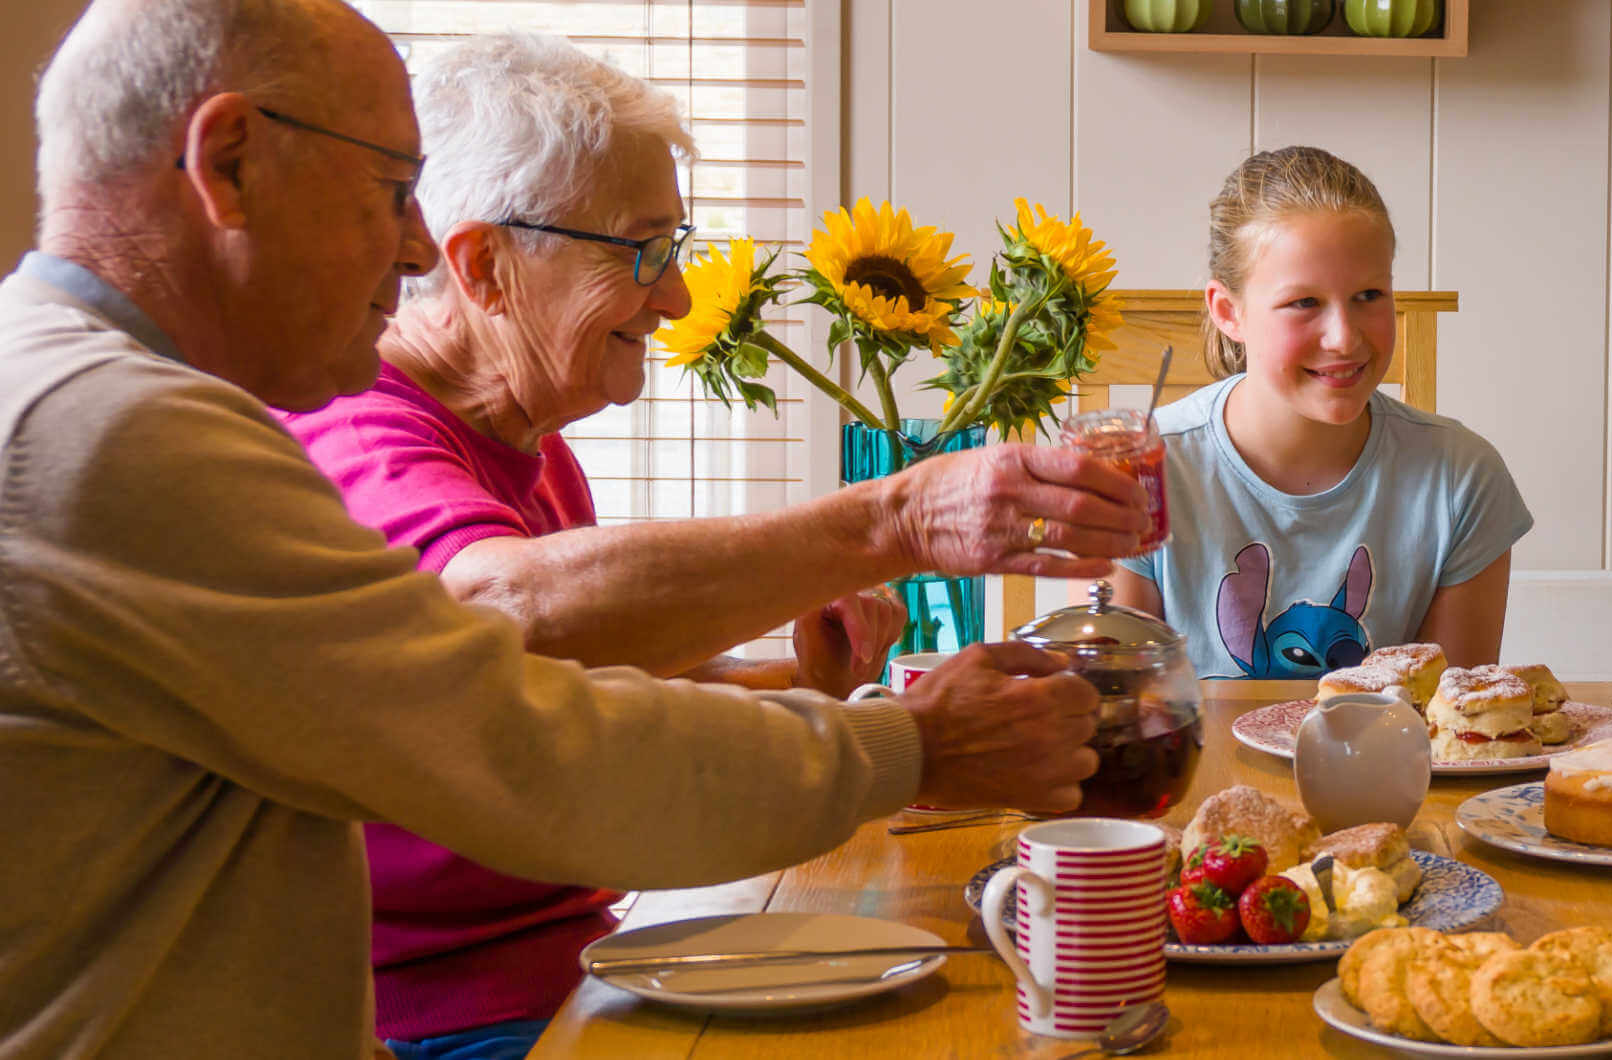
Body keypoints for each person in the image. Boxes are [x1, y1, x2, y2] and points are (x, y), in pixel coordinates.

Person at [0, 1, 1132, 1055]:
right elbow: (510, 704)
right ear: (229, 162)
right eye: (393, 191)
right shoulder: (114, 433)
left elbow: (507, 703)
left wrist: (821, 693)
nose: (409, 247)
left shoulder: (90, 397)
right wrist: (911, 677)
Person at [1106, 146, 1533, 680]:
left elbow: (1453, 732)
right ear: (1228, 312)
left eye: (1369, 294)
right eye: (1304, 303)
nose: (1344, 337)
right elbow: (1117, 712)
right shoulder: (1140, 471)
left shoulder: (1462, 479)